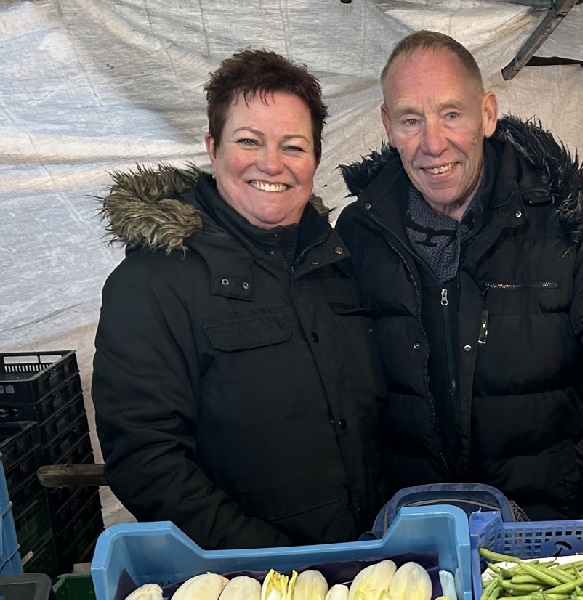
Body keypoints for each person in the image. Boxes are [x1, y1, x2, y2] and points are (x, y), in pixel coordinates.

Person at [335, 30, 583, 521]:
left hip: (545, 521)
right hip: (411, 528)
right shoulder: (358, 231)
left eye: (451, 114)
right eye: (412, 120)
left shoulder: (575, 222)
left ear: (488, 114)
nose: (433, 144)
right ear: (388, 126)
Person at [92, 49, 386, 549]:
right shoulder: (151, 284)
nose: (271, 163)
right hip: (248, 578)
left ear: (315, 156)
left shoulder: (339, 265)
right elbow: (146, 458)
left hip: (372, 558)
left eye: (293, 146)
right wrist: (271, 563)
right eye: (249, 141)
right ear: (213, 146)